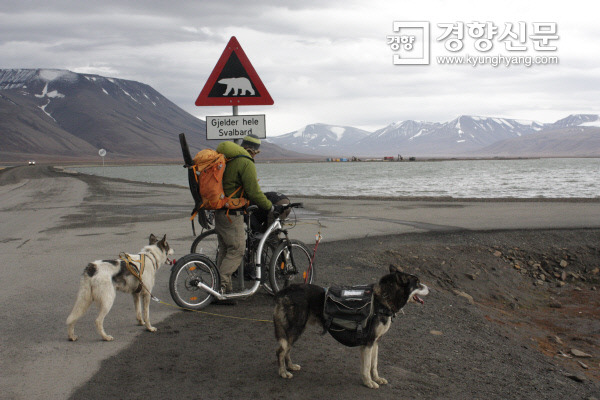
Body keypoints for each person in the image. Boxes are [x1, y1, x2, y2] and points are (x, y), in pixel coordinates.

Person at [214, 134, 273, 295]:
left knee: (226, 250)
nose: (255, 155)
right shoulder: (245, 162)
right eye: (257, 152)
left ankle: (220, 287)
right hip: (232, 213)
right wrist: (269, 206)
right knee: (238, 250)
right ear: (253, 150)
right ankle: (222, 287)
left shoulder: (229, 157)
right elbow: (253, 191)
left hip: (219, 209)